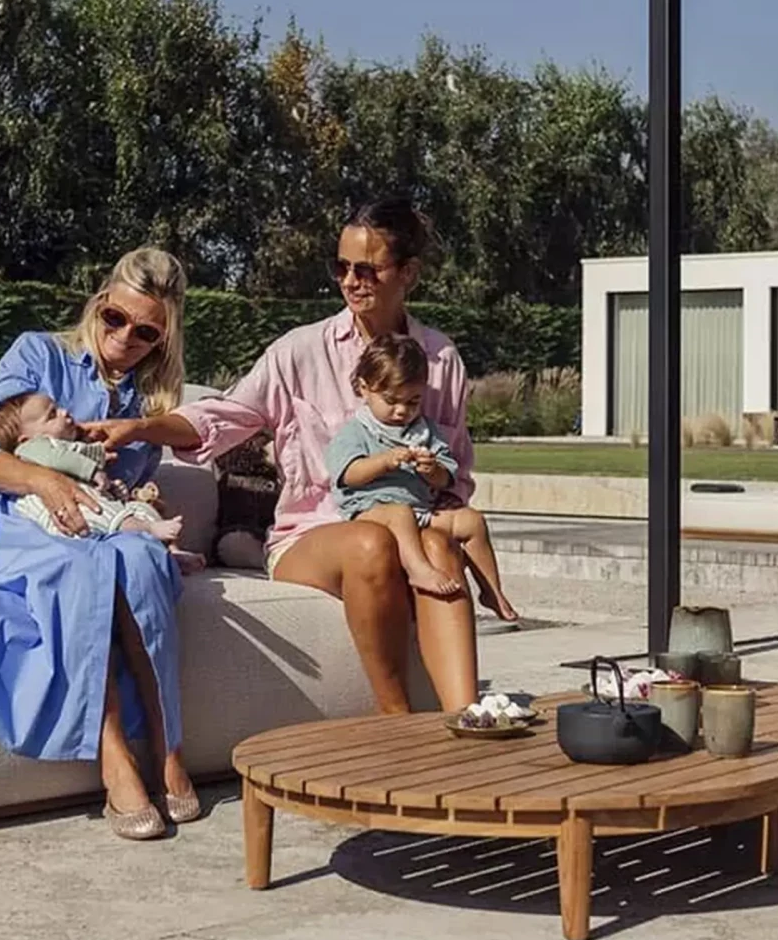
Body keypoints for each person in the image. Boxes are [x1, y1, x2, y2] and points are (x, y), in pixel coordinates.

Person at [85, 197, 516, 716]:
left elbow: (456, 477)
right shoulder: (300, 351)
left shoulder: (441, 360)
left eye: (367, 270)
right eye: (341, 267)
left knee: (439, 548)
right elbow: (223, 416)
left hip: (411, 528)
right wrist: (141, 428)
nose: (350, 281)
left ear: (408, 273)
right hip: (311, 537)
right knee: (372, 541)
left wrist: (435, 494)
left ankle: (469, 723)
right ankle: (396, 721)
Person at [0, 247, 201, 842]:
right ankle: (114, 757)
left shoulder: (147, 401)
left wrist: (137, 472)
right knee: (83, 568)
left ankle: (169, 749)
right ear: (99, 303)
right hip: (19, 518)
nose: (125, 337)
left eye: (146, 332)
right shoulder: (38, 354)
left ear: (164, 339)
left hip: (100, 520)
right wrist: (45, 480)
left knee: (141, 559)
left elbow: (173, 452)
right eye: (115, 318)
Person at [326, 332, 511, 616]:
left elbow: (447, 476)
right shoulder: (356, 431)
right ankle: (418, 569)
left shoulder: (424, 430)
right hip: (371, 510)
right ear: (364, 388)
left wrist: (432, 470)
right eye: (391, 400)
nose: (402, 411)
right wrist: (384, 461)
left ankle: (491, 591)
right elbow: (349, 474)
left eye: (413, 402)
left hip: (421, 511)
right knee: (400, 514)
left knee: (472, 521)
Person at [0, 390, 203, 570]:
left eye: (58, 407)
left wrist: (113, 488)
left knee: (139, 507)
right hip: (67, 516)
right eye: (52, 415)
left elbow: (77, 464)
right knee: (102, 513)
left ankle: (170, 552)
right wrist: (91, 470)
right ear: (25, 439)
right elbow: (58, 458)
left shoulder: (67, 448)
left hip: (91, 504)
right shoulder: (30, 449)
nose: (64, 412)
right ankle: (149, 531)